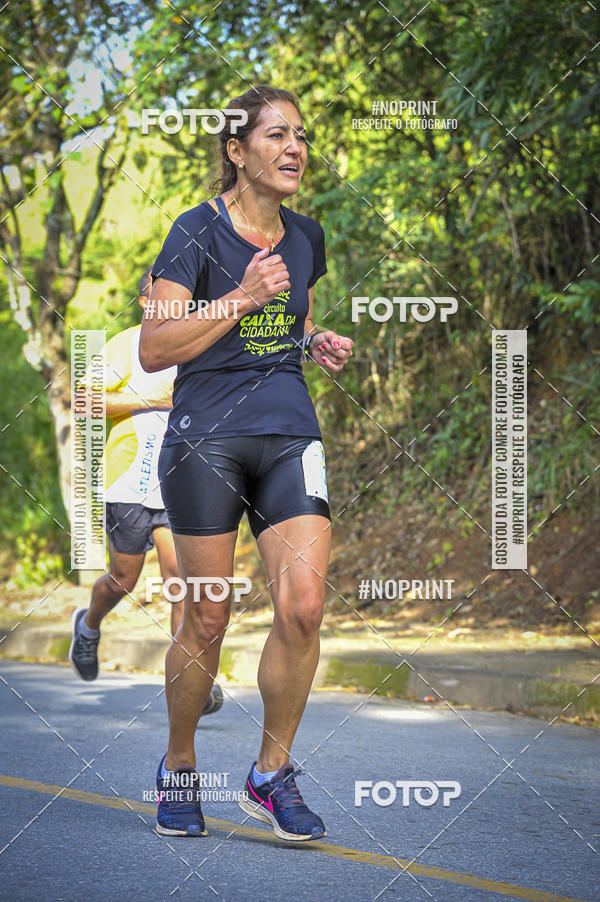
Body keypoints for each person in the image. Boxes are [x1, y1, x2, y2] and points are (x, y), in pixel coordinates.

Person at [140, 85, 353, 840]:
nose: (295, 147)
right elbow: (155, 347)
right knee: (207, 613)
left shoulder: (307, 236)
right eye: (276, 134)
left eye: (301, 135)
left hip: (289, 430)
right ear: (236, 150)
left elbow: (291, 316)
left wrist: (313, 339)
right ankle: (179, 765)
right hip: (206, 438)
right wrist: (240, 296)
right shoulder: (193, 232)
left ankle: (270, 774)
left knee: (304, 606)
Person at [69, 269, 224, 716]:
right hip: (129, 481)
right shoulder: (126, 345)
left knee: (181, 582)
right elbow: (83, 401)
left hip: (180, 480)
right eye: (161, 294)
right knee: (124, 578)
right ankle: (88, 624)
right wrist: (152, 399)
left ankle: (189, 679)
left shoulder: (196, 341)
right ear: (144, 301)